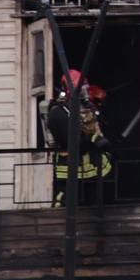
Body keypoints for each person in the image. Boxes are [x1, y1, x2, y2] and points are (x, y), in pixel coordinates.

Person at [46, 70, 112, 208]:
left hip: (92, 169)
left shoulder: (85, 107)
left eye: (85, 88)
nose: (84, 92)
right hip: (69, 169)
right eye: (80, 89)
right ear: (69, 89)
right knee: (65, 206)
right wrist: (94, 140)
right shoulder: (58, 113)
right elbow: (72, 141)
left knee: (94, 204)